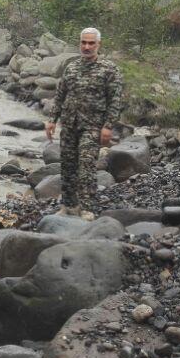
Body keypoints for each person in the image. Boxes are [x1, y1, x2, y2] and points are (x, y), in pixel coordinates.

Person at [45, 28, 124, 220]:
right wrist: (52, 120)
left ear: (99, 45)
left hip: (92, 126)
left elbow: (115, 99)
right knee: (68, 165)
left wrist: (108, 126)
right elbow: (60, 95)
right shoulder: (71, 67)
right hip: (70, 124)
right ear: (79, 43)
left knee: (86, 165)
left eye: (91, 43)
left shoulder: (109, 69)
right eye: (83, 43)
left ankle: (87, 207)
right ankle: (69, 205)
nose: (86, 47)